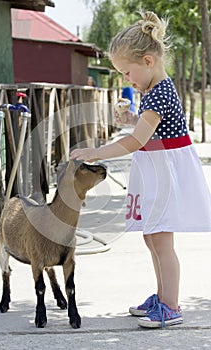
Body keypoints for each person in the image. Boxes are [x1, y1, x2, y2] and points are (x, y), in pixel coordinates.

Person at [70, 11, 211, 328]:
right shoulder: (155, 90)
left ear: (148, 61)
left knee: (161, 240)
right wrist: (134, 121)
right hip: (157, 169)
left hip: (164, 174)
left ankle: (171, 306)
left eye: (127, 72)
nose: (126, 80)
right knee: (152, 237)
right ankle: (162, 298)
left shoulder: (158, 93)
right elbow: (148, 131)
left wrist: (94, 152)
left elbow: (135, 143)